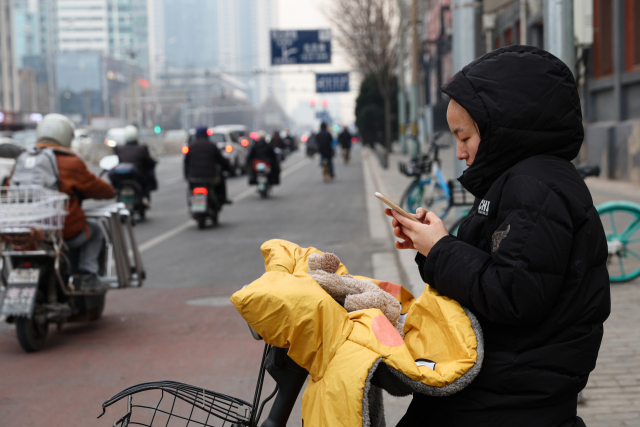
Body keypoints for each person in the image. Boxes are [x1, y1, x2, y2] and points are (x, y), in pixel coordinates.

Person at [387, 46, 610, 426]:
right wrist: (432, 246)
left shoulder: (533, 186)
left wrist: (440, 248)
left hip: (511, 397)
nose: (459, 152)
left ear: (500, 127)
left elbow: (513, 294)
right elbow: (501, 269)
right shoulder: (522, 180)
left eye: (464, 136)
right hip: (511, 385)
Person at [14, 114, 115, 291]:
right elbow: (97, 188)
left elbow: (9, 187)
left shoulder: (24, 158)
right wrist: (111, 191)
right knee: (96, 230)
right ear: (67, 136)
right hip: (62, 232)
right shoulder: (71, 161)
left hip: (24, 230)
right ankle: (87, 274)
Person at [184, 126, 233, 204]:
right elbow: (221, 160)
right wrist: (228, 168)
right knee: (221, 180)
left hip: (194, 177)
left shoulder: (191, 146)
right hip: (210, 176)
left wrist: (187, 176)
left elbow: (186, 163)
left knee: (191, 190)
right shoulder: (212, 145)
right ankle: (223, 199)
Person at [113, 125, 157, 206]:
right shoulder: (142, 148)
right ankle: (145, 197)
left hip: (121, 177)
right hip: (138, 177)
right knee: (147, 178)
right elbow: (149, 162)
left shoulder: (119, 148)